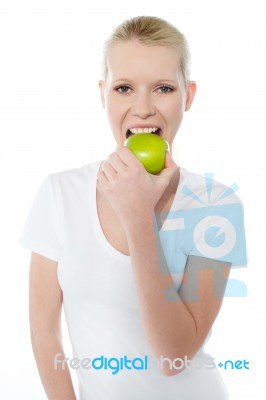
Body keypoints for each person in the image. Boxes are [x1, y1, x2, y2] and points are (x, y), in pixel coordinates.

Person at [20, 16, 247, 400]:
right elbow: (44, 332)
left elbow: (173, 356)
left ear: (188, 96)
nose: (142, 108)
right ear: (103, 94)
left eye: (163, 88)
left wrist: (139, 215)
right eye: (123, 88)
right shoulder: (61, 194)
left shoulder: (217, 205)